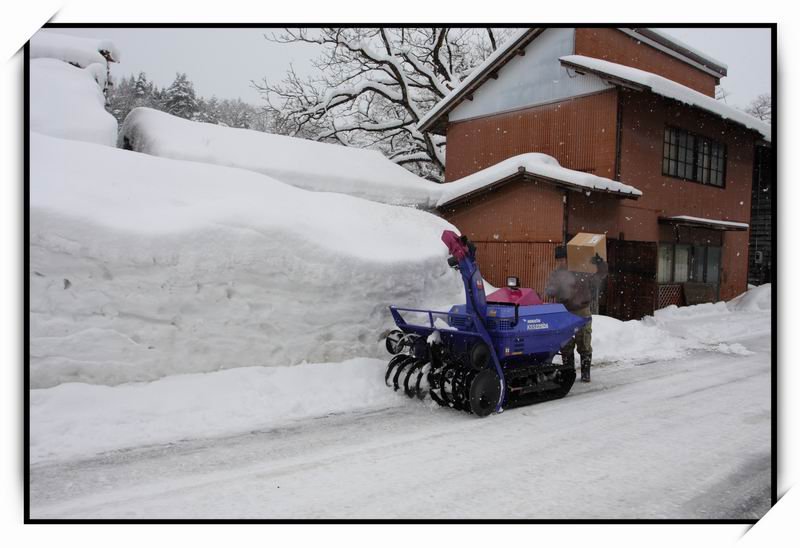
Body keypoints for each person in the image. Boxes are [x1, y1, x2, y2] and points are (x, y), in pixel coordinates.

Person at [544, 247, 608, 382]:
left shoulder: (581, 271)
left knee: (584, 340)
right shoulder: (556, 274)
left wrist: (600, 263)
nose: (561, 262)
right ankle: (569, 373)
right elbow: (549, 290)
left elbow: (599, 276)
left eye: (563, 259)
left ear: (568, 259)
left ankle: (586, 373)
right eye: (558, 260)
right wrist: (551, 289)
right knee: (566, 344)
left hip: (581, 310)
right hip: (564, 312)